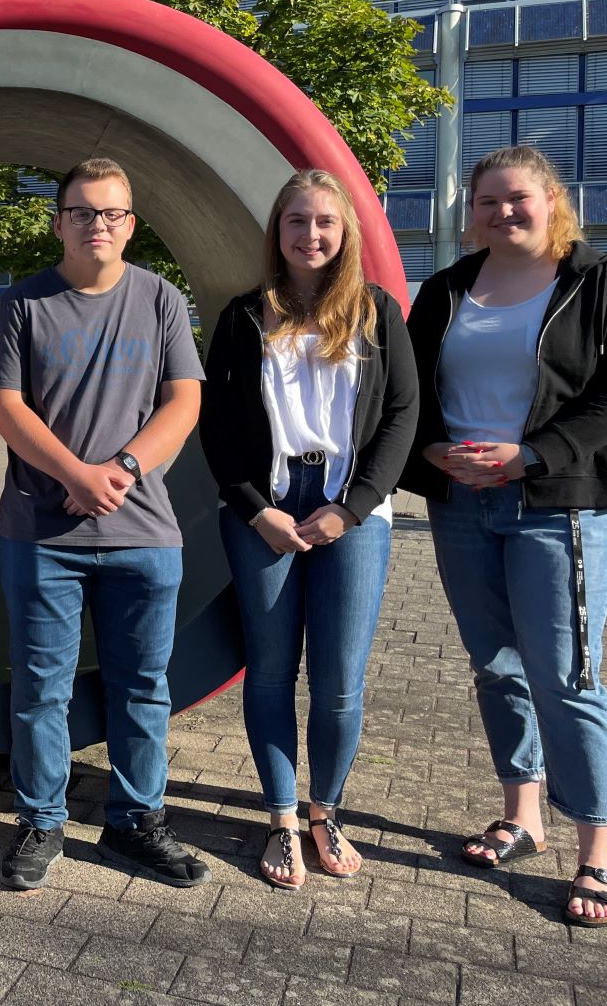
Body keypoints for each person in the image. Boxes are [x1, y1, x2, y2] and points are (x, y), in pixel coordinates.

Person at [403, 146, 607, 929]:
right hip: (463, 504)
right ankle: (521, 816)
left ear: (552, 201)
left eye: (518, 199)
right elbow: (409, 394)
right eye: (489, 202)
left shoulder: (598, 281)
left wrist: (534, 454)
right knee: (495, 666)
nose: (504, 213)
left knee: (565, 675)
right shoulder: (445, 291)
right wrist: (433, 451)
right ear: (470, 213)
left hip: (555, 502)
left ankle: (596, 851)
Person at [0, 157, 208, 891]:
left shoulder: (161, 299)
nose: (97, 225)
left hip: (144, 532)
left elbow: (183, 402)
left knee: (143, 688)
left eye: (112, 213)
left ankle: (135, 823)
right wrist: (75, 476)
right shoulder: (24, 302)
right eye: (82, 211)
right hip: (42, 536)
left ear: (131, 224)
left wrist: (121, 472)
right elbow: (6, 407)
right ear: (59, 221)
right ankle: (41, 820)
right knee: (41, 686)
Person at [199, 171, 418, 890]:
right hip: (265, 506)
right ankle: (281, 818)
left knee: (339, 683)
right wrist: (255, 507)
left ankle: (326, 812)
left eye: (325, 221)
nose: (311, 234)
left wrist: (350, 510)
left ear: (346, 231)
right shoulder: (243, 317)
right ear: (278, 231)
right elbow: (220, 427)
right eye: (297, 221)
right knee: (268, 671)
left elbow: (402, 417)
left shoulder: (378, 314)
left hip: (351, 510)